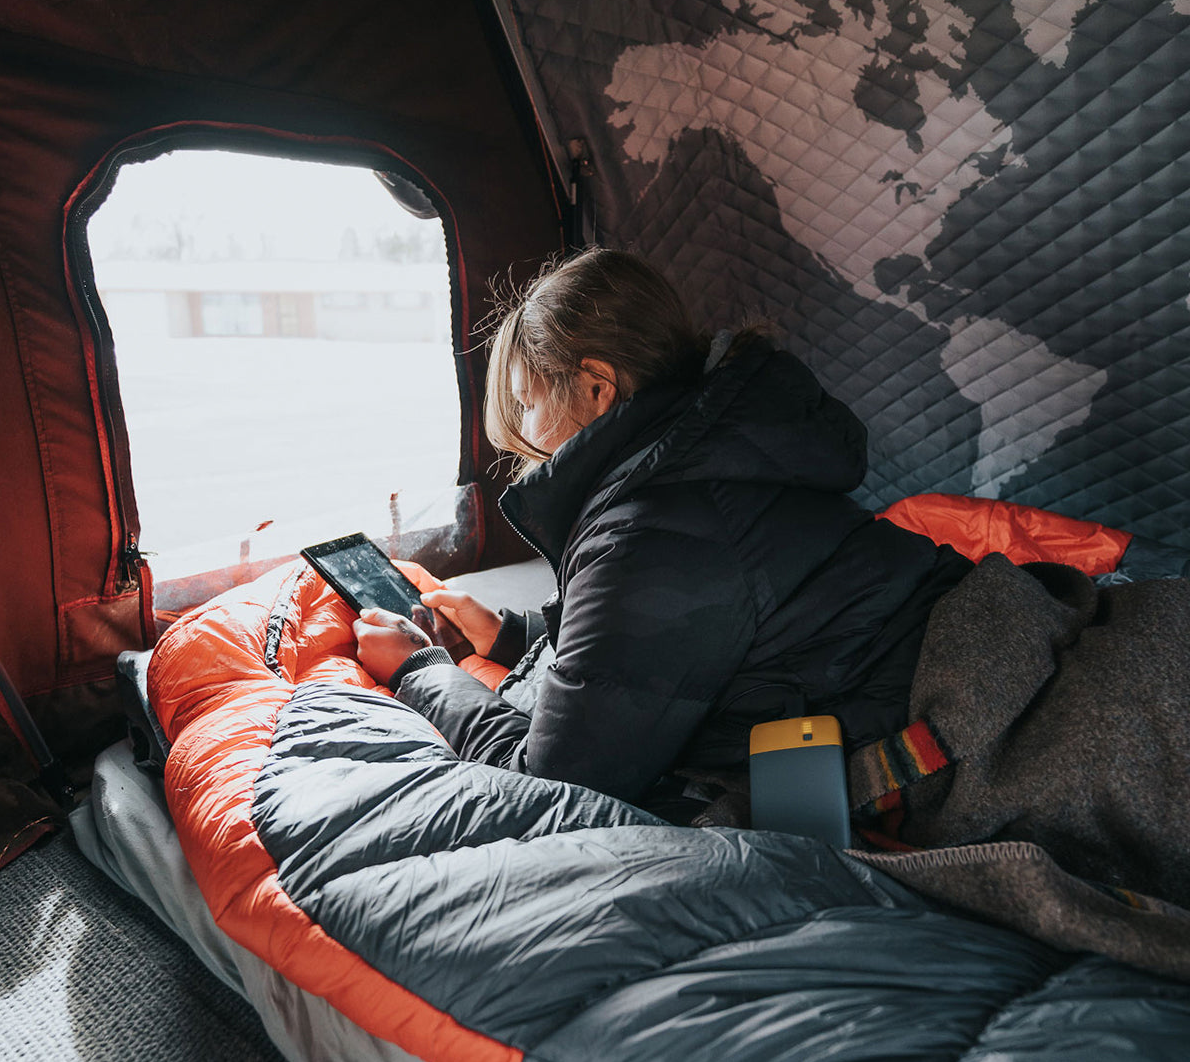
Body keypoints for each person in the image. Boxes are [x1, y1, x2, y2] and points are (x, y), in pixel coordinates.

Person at [354, 248, 971, 818]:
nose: (526, 434)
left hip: (958, 709)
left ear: (596, 386)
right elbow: (699, 625)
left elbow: (554, 784)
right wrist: (516, 637)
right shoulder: (714, 448)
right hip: (939, 628)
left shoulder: (647, 530)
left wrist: (419, 669)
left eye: (529, 401)